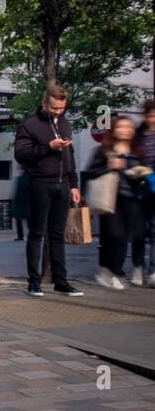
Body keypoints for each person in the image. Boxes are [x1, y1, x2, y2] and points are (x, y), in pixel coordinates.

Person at [14, 86, 84, 297]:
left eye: (61, 108)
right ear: (44, 103)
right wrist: (48, 147)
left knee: (57, 235)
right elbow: (21, 154)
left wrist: (74, 185)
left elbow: (69, 155)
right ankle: (33, 282)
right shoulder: (29, 125)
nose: (58, 112)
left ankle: (60, 281)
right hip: (40, 184)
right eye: (54, 108)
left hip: (63, 186)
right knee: (36, 234)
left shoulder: (65, 124)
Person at [83, 116, 149, 290]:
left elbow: (143, 175)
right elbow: (89, 172)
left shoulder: (137, 151)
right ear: (114, 129)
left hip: (133, 199)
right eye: (121, 127)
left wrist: (140, 173)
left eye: (129, 127)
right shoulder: (103, 150)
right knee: (115, 235)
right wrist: (109, 166)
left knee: (125, 239)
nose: (126, 130)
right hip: (110, 199)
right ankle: (107, 271)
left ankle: (111, 271)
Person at [136, 98, 155, 288]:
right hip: (141, 186)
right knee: (140, 230)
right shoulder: (139, 135)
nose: (153, 119)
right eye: (150, 115)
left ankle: (153, 271)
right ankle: (138, 268)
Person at [11, 169, 31, 241]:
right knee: (28, 219)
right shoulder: (29, 178)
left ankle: (20, 235)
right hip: (26, 202)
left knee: (20, 219)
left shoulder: (21, 179)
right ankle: (28, 234)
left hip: (21, 201)